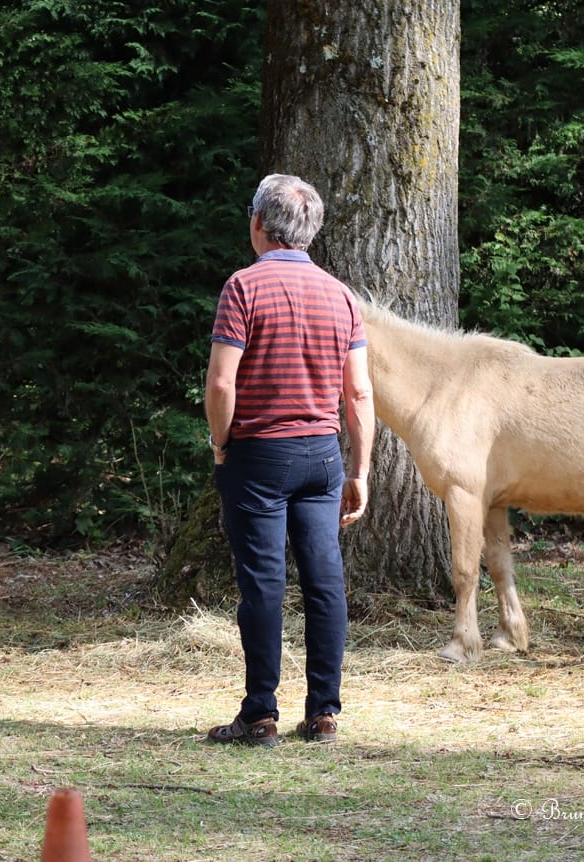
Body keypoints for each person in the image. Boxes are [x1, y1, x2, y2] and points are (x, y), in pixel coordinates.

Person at [204, 173, 375, 746]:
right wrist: (360, 470)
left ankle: (260, 714)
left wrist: (222, 442)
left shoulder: (243, 287)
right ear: (311, 230)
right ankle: (324, 713)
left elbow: (221, 383)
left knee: (263, 584)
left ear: (258, 223)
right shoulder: (342, 295)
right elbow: (358, 393)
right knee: (325, 582)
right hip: (322, 456)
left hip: (259, 454)